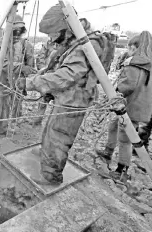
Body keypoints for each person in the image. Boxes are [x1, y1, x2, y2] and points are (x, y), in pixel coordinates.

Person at [20, 4, 110, 185]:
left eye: (53, 33)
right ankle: (47, 154)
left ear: (65, 29)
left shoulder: (87, 43)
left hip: (75, 101)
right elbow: (60, 65)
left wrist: (32, 83)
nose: (51, 38)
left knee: (59, 137)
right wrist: (42, 74)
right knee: (51, 129)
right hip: (66, 97)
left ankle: (51, 176)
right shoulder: (75, 40)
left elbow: (68, 74)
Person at [96, 32, 152, 179]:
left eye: (130, 48)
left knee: (125, 139)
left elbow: (128, 86)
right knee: (113, 126)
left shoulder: (135, 64)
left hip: (129, 108)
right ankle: (108, 152)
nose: (128, 51)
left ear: (136, 48)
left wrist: (114, 94)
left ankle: (122, 170)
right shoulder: (147, 64)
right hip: (138, 107)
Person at [0, 15, 36, 136]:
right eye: (15, 32)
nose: (18, 36)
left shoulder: (18, 44)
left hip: (9, 83)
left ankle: (2, 130)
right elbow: (2, 64)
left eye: (20, 32)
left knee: (6, 107)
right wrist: (22, 67)